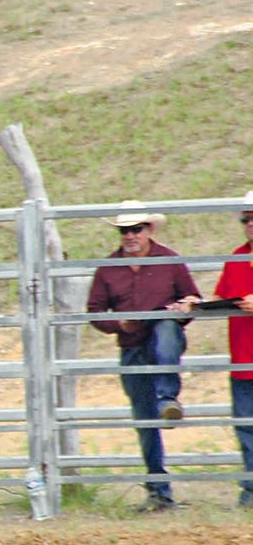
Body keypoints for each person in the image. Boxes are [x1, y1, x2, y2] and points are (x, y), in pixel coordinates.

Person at [85, 201, 200, 512]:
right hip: (132, 344)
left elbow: (192, 297)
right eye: (125, 230)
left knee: (165, 327)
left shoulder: (170, 260)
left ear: (148, 230)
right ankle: (158, 490)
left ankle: (167, 397)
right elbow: (94, 311)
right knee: (144, 420)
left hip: (160, 338)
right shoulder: (109, 267)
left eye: (136, 229)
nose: (130, 235)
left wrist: (185, 306)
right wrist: (120, 323)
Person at [211, 193, 253, 509]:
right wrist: (194, 305)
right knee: (246, 427)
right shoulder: (237, 257)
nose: (250, 225)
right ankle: (251, 488)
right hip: (243, 358)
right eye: (246, 219)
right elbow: (222, 298)